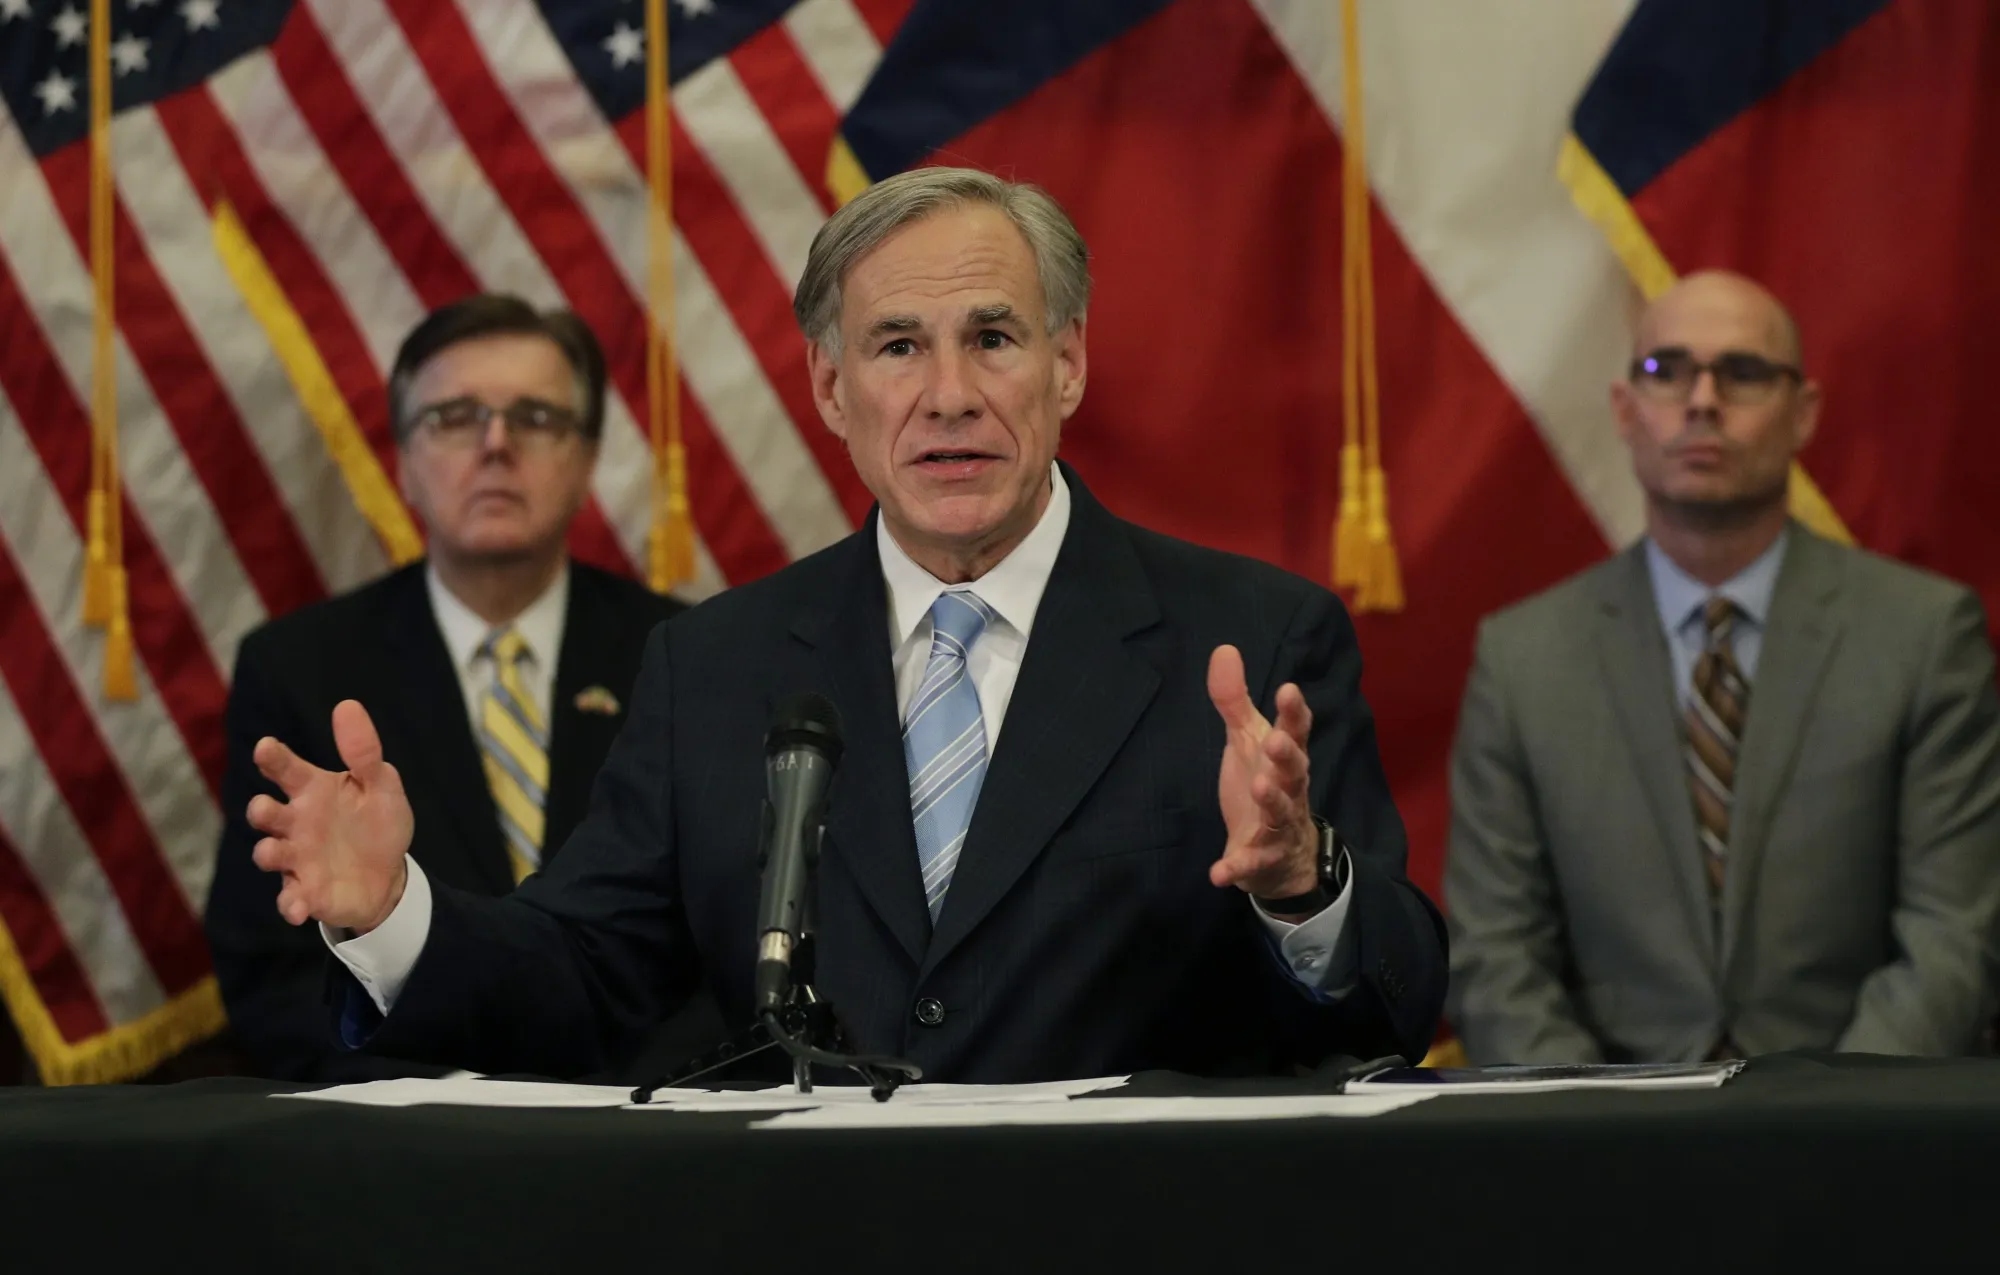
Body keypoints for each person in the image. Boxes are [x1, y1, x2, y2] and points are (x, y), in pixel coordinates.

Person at [243, 168, 1447, 1084]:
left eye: (992, 338)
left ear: (1066, 364)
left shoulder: (1248, 643)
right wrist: (395, 912)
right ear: (830, 389)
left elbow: (1389, 1006)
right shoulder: (713, 667)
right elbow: (581, 980)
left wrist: (1303, 887)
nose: (948, 397)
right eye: (895, 348)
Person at [1445, 270, 2000, 1064]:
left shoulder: (1922, 635)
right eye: (1664, 371)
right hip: (1603, 1154)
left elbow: (1955, 935)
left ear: (1803, 413)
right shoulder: (1524, 656)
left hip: (1857, 1140)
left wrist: (1826, 1129)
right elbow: (1496, 956)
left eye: (1741, 372)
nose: (1701, 400)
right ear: (1624, 412)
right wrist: (1600, 1138)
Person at [205, 295, 707, 1082]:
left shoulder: (690, 656)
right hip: (400, 1156)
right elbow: (271, 971)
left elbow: (716, 948)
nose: (497, 444)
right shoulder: (300, 667)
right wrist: (445, 1101)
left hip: (638, 1139)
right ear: (403, 462)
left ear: (585, 459)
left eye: (536, 417)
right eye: (454, 417)